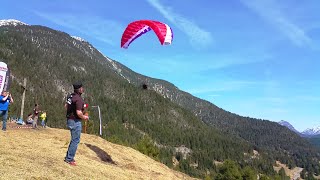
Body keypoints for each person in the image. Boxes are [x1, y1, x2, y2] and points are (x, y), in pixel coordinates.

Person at [64, 82, 89, 166]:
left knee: (73, 139)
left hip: (69, 119)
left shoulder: (71, 96)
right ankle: (69, 159)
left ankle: (68, 157)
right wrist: (84, 117)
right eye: (82, 88)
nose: (83, 89)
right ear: (79, 89)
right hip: (75, 121)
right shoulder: (78, 99)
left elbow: (66, 106)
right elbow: (78, 113)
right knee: (76, 140)